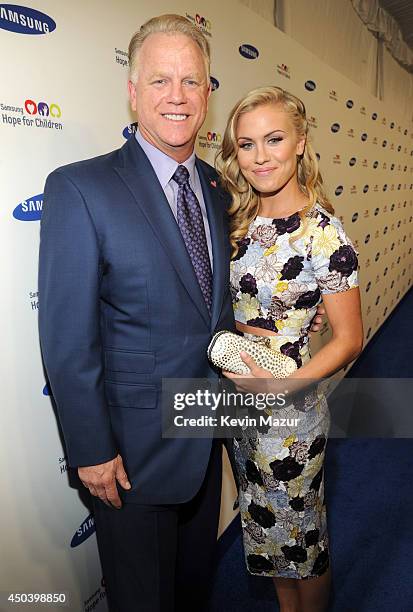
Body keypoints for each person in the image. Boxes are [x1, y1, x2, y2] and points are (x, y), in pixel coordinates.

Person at [38, 14, 236, 612]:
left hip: (204, 439)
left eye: (191, 81)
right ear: (132, 91)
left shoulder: (217, 187)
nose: (177, 96)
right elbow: (67, 337)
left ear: (207, 92)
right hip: (128, 459)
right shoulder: (80, 189)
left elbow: (205, 311)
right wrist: (91, 449)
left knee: (193, 592)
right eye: (159, 81)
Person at [217, 86, 363, 612]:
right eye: (247, 144)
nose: (261, 157)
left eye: (274, 140)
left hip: (292, 411)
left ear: (300, 142)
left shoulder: (324, 236)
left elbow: (349, 339)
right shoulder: (235, 222)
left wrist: (284, 384)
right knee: (265, 531)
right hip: (240, 406)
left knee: (302, 538)